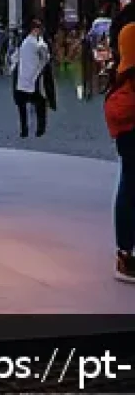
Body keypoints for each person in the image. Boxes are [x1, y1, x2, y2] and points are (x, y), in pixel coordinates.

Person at [105, 22, 135, 282]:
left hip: (127, 125)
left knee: (130, 182)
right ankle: (125, 254)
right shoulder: (130, 30)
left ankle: (125, 252)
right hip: (131, 122)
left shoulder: (126, 28)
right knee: (130, 184)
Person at [11, 19, 51, 138]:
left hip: (21, 79)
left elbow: (15, 58)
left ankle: (24, 130)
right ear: (36, 30)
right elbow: (45, 58)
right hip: (32, 80)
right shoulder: (38, 44)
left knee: (22, 107)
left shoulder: (23, 42)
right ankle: (40, 129)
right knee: (41, 103)